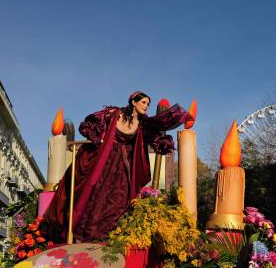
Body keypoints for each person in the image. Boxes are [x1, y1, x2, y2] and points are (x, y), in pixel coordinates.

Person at [44, 91, 191, 243]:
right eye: (144, 102)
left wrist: (163, 144)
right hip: (102, 160)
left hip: (121, 167)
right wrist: (97, 138)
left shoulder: (142, 124)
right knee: (92, 193)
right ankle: (81, 234)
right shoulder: (113, 114)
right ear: (133, 102)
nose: (146, 106)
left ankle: (104, 237)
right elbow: (89, 125)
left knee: (118, 200)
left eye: (148, 104)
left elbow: (154, 139)